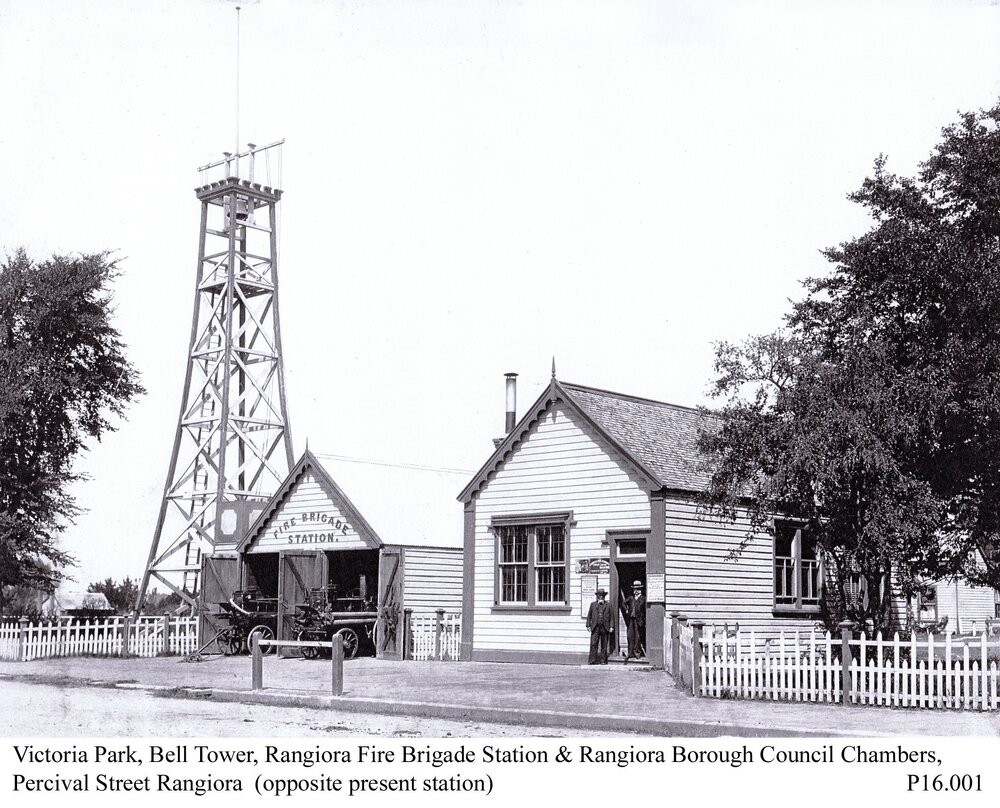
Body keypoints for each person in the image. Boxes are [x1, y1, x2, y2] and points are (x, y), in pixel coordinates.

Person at [586, 588, 612, 664]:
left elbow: (612, 617)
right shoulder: (593, 605)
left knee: (604, 644)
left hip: (605, 627)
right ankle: (592, 660)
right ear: (597, 596)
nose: (601, 597)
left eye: (602, 596)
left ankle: (603, 660)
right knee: (594, 643)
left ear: (604, 597)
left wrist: (611, 627)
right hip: (595, 627)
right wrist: (588, 625)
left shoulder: (608, 605)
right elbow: (589, 616)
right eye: (599, 595)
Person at [623, 580, 646, 660]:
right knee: (630, 636)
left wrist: (643, 619)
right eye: (635, 589)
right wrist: (626, 609)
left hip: (638, 621)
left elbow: (645, 610)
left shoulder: (643, 598)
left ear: (640, 590)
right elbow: (624, 603)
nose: (636, 591)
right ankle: (630, 653)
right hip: (631, 620)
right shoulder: (631, 598)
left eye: (637, 589)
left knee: (637, 637)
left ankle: (637, 653)